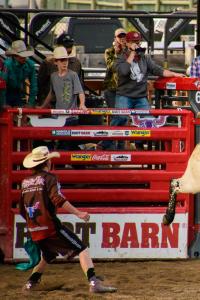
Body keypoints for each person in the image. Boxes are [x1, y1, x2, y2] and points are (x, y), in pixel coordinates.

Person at [19, 146, 117, 293]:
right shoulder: (49, 178)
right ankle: (93, 282)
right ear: (48, 162)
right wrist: (78, 213)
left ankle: (30, 284)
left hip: (34, 227)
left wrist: (33, 224)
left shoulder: (25, 182)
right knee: (81, 248)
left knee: (48, 255)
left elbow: (22, 208)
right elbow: (58, 199)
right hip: (50, 226)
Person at [102, 31, 184, 150]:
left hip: (140, 96)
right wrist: (132, 53)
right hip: (124, 95)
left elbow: (157, 70)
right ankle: (106, 143)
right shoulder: (119, 57)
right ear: (128, 43)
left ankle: (139, 143)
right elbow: (123, 71)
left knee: (148, 120)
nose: (137, 44)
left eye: (138, 42)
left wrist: (175, 74)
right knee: (121, 117)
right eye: (134, 42)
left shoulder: (144, 58)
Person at [38, 47, 87, 151]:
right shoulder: (53, 76)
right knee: (62, 143)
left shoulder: (73, 75)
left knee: (67, 144)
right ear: (56, 62)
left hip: (71, 116)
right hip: (58, 115)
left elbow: (80, 91)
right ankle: (63, 164)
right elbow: (52, 93)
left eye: (66, 60)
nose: (65, 62)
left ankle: (64, 164)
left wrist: (82, 104)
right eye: (62, 60)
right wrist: (42, 107)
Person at [37, 33, 82, 105]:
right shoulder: (47, 63)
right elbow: (40, 83)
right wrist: (42, 102)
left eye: (70, 46)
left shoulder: (76, 63)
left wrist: (80, 103)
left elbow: (80, 85)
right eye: (66, 46)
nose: (68, 48)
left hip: (70, 103)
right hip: (51, 102)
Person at [4, 40, 37, 107]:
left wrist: (30, 103)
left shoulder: (30, 65)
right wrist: (3, 103)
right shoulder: (7, 65)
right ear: (15, 56)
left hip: (18, 94)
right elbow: (2, 86)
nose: (24, 58)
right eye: (21, 56)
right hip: (6, 93)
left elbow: (34, 86)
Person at [103, 28, 127, 108]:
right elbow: (112, 67)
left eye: (124, 36)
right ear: (115, 39)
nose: (122, 38)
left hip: (126, 89)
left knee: (124, 115)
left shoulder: (129, 51)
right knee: (116, 114)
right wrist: (117, 54)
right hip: (112, 88)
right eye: (120, 36)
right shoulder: (109, 51)